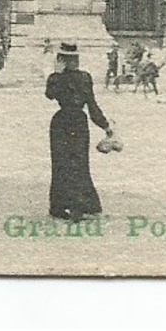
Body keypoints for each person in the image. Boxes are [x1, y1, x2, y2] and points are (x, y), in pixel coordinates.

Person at [46, 42, 114, 220]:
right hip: (64, 123)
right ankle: (61, 206)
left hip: (74, 122)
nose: (74, 61)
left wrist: (105, 125)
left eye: (75, 58)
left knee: (78, 164)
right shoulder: (57, 78)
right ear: (62, 60)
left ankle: (78, 206)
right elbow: (50, 94)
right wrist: (57, 74)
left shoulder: (84, 77)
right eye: (69, 58)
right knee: (63, 164)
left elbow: (92, 104)